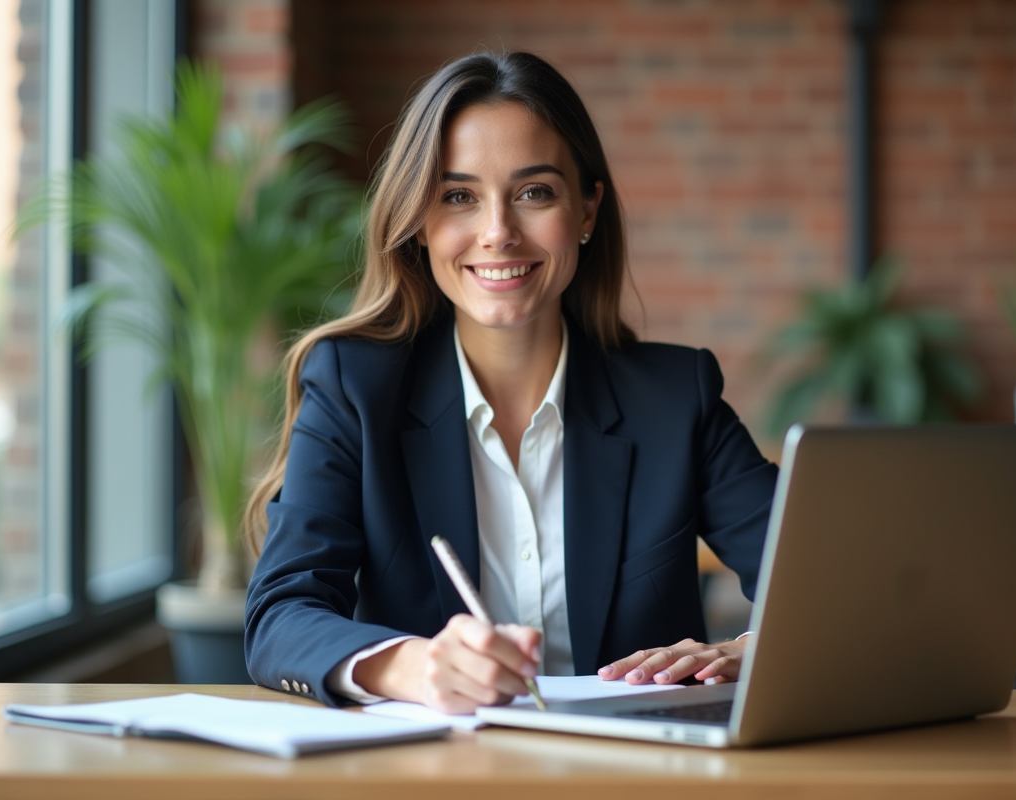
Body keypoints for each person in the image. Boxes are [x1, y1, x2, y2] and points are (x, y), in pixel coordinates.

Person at [244, 51, 778, 714]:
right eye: (458, 196)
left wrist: (756, 647)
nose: (497, 232)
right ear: (419, 222)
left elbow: (827, 586)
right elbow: (280, 617)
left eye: (534, 192)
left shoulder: (675, 398)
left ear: (586, 211)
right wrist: (411, 667)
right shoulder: (355, 388)